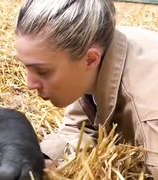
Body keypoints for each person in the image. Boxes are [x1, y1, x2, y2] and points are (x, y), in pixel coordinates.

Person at [14, 0, 158, 178]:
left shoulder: (150, 113)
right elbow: (82, 129)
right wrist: (37, 161)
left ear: (91, 59)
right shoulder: (91, 48)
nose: (29, 84)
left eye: (42, 71)